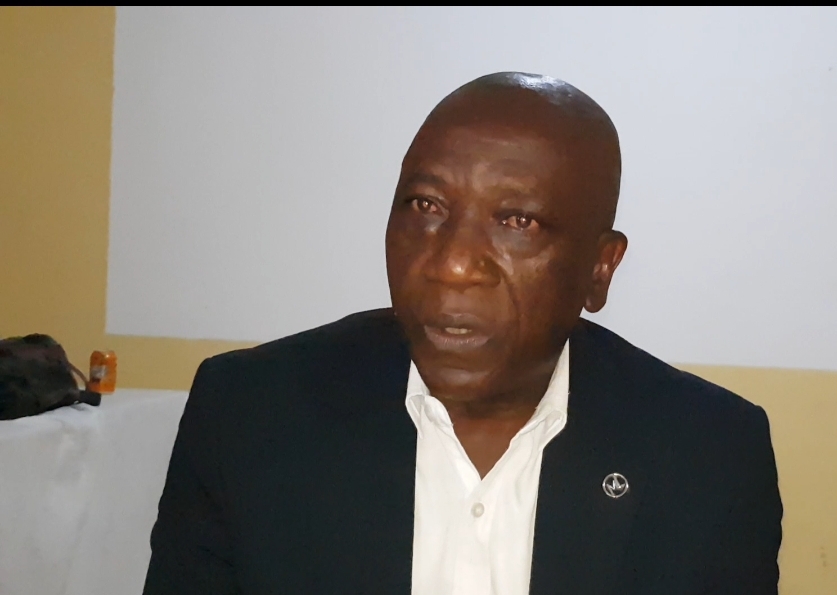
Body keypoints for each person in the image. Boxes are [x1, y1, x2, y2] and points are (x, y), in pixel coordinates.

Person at [143, 72, 783, 595]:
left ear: (599, 268)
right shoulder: (249, 417)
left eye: (517, 220)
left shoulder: (708, 456)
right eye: (426, 207)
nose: (451, 263)